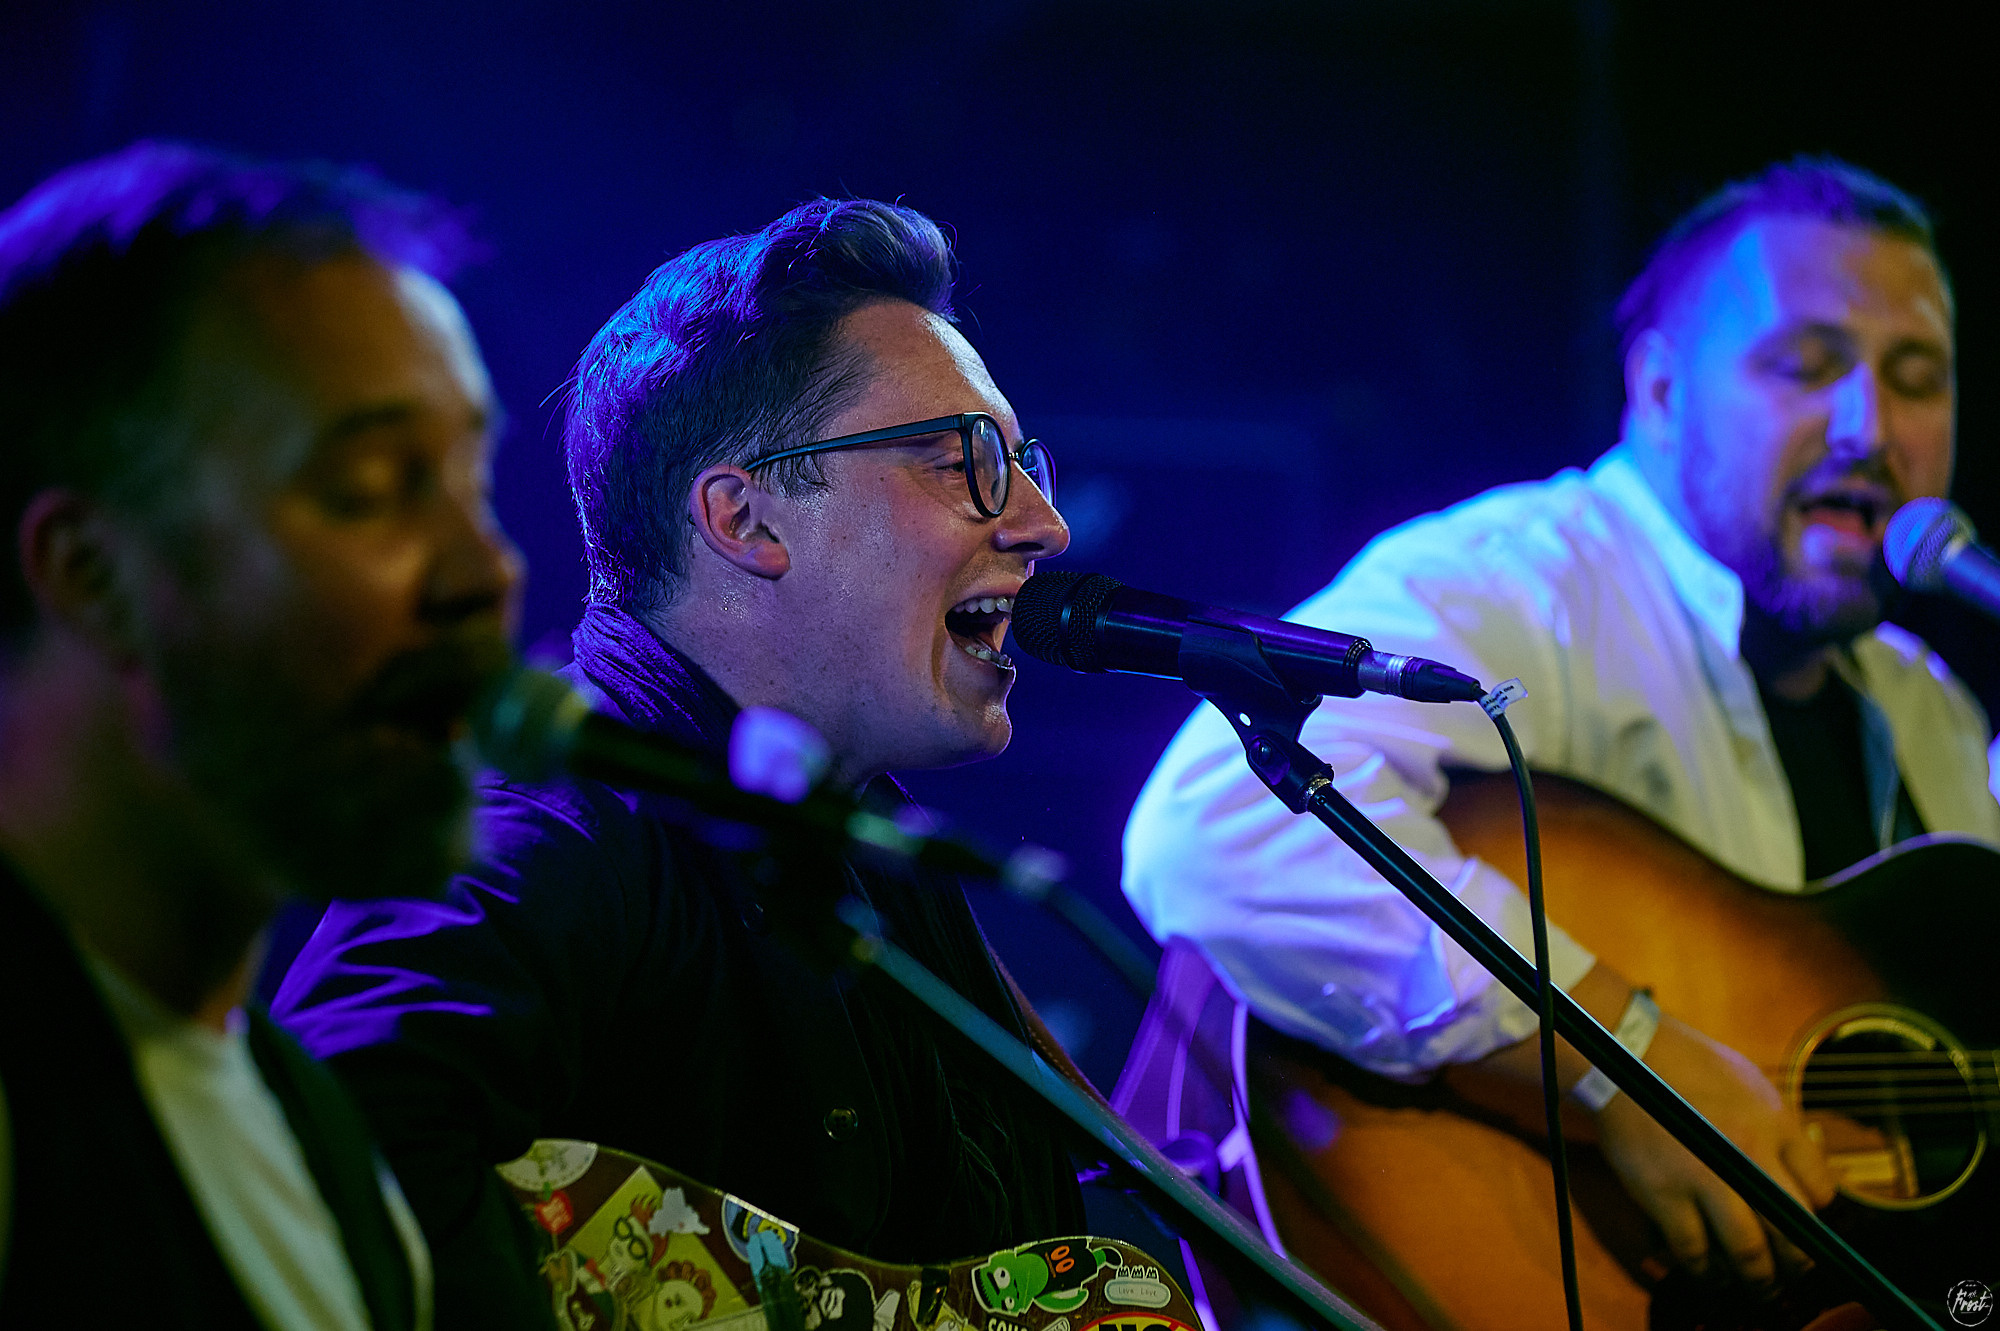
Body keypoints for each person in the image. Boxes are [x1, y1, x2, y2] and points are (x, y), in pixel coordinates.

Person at [1121, 157, 1995, 1324]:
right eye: (1804, 364)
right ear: (1661, 389)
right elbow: (1212, 822)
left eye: (1915, 376)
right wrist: (1612, 1063)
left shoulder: (1930, 717)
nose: (1868, 428)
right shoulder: (1513, 587)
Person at [274, 199, 1082, 1330]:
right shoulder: (542, 829)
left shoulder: (882, 866)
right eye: (962, 463)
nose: (1042, 522)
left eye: (1022, 461)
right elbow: (315, 1163)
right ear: (745, 517)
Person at [0, 142, 523, 1328]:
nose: (482, 570)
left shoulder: (320, 1139)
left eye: (471, 482)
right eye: (373, 485)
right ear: (91, 575)